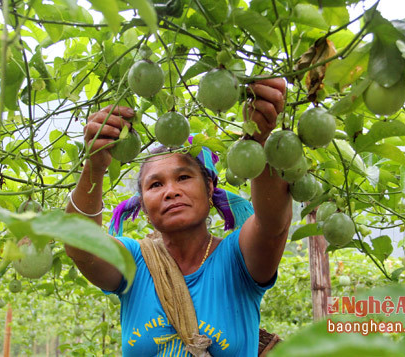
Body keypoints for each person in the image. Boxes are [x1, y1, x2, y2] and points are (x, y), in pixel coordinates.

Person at [65, 78, 291, 356]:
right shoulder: (136, 262)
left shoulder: (237, 258)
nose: (170, 191)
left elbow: (273, 224)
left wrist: (259, 140)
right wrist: (94, 167)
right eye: (155, 185)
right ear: (144, 209)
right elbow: (80, 246)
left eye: (183, 177)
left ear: (209, 188)